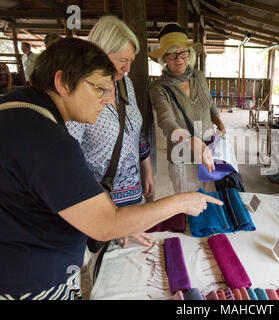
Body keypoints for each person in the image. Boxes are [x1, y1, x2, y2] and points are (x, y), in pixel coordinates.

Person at [0, 37, 221, 300]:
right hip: (31, 284)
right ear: (62, 83)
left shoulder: (18, 107)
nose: (106, 101)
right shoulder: (50, 141)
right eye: (99, 90)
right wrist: (182, 201)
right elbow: (106, 224)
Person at [66, 16, 154, 248]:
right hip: (99, 199)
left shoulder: (125, 84)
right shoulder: (81, 92)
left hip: (133, 193)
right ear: (99, 53)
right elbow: (68, 154)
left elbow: (136, 128)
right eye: (121, 60)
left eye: (131, 61)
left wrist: (147, 168)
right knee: (105, 262)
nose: (127, 69)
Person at [149, 24, 226, 193]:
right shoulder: (158, 88)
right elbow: (166, 121)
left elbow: (209, 104)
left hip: (209, 151)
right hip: (182, 158)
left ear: (189, 54)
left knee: (212, 203)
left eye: (183, 52)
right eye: (172, 53)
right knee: (191, 211)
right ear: (164, 58)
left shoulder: (198, 76)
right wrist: (191, 140)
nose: (179, 59)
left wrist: (219, 122)